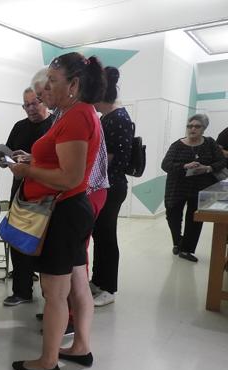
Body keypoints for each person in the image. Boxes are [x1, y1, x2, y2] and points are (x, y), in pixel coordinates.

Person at [8, 52, 104, 370]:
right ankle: (80, 346)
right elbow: (62, 166)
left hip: (65, 212)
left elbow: (70, 177)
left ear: (73, 84)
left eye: (52, 81)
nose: (45, 88)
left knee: (54, 293)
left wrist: (27, 169)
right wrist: (32, 162)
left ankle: (48, 361)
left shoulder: (77, 116)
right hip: (73, 210)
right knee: (77, 286)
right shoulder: (76, 114)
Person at [2, 84, 54, 306]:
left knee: (45, 243)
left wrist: (31, 158)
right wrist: (5, 159)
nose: (31, 108)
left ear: (44, 100)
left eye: (35, 103)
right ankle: (22, 290)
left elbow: (57, 161)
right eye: (26, 105)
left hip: (46, 194)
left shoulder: (55, 125)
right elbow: (8, 153)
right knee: (18, 239)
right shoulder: (19, 127)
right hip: (20, 192)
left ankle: (51, 295)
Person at [90, 67, 134, 306]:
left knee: (107, 236)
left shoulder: (120, 118)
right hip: (102, 185)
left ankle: (109, 287)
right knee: (99, 234)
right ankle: (98, 280)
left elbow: (114, 157)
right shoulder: (106, 117)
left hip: (113, 185)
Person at [161, 114, 225, 262]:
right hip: (176, 188)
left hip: (201, 188)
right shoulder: (177, 145)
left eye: (197, 126)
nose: (193, 129)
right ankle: (178, 242)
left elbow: (221, 161)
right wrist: (184, 166)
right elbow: (165, 165)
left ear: (204, 129)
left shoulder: (210, 143)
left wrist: (208, 168)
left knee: (195, 219)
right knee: (172, 216)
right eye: (190, 126)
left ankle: (186, 249)